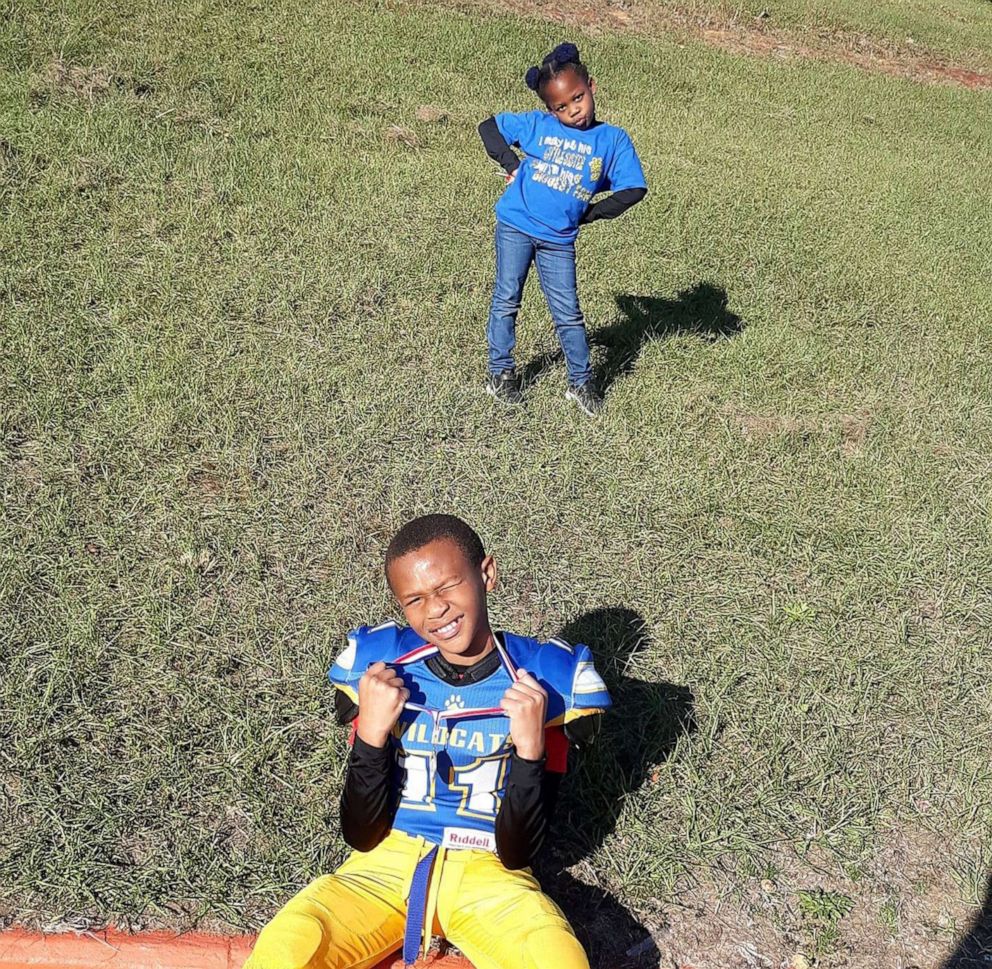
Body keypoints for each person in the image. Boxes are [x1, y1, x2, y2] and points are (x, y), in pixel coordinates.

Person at [244, 514, 611, 969]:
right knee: (293, 943)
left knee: (554, 958)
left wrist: (531, 750)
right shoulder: (384, 666)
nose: (434, 609)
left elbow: (519, 854)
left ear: (487, 574)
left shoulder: (547, 678)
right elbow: (361, 836)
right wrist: (373, 736)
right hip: (382, 865)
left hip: (491, 874)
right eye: (415, 599)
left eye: (446, 587)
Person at [478, 42, 648, 416]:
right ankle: (500, 374)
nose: (573, 111)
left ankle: (581, 382)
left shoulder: (612, 140)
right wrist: (512, 163)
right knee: (507, 299)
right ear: (549, 109)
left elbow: (634, 189)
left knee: (568, 312)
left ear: (591, 85)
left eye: (578, 98)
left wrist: (590, 214)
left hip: (559, 240)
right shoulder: (539, 125)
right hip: (516, 225)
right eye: (561, 107)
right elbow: (489, 126)